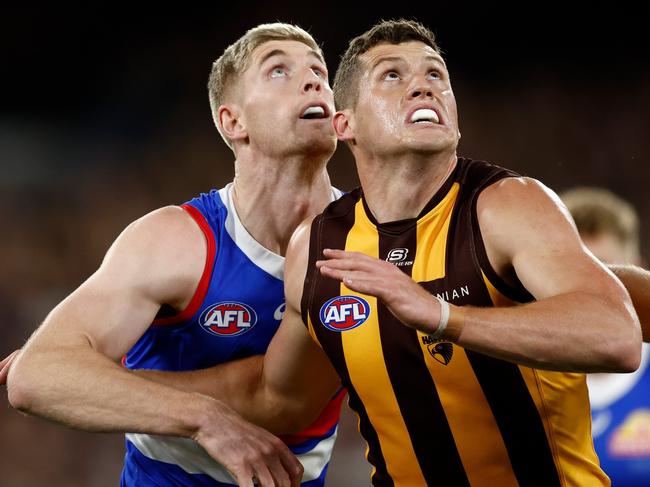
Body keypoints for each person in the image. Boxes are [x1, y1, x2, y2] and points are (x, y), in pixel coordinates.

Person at [118, 19, 645, 487]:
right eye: (392, 75)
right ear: (343, 123)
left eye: (436, 75)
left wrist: (445, 316)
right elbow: (279, 398)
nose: (423, 85)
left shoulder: (505, 205)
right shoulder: (319, 247)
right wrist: (132, 391)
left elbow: (615, 336)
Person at [5, 22, 345, 487]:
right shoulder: (174, 242)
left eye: (319, 73)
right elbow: (37, 377)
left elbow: (279, 399)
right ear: (233, 121)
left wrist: (101, 378)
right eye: (279, 71)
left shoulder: (366, 242)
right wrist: (202, 416)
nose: (312, 81)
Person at [561, 187, 650, 486]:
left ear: (637, 270)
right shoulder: (520, 381)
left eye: (605, 271)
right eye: (574, 271)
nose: (588, 291)